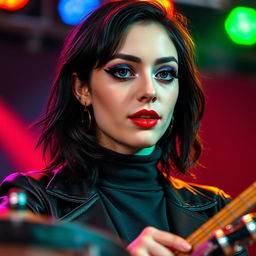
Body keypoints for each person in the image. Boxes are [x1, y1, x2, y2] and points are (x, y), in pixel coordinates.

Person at [0, 1, 247, 255]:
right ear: (82, 89)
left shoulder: (215, 211)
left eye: (165, 74)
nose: (150, 92)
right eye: (123, 71)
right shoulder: (34, 202)